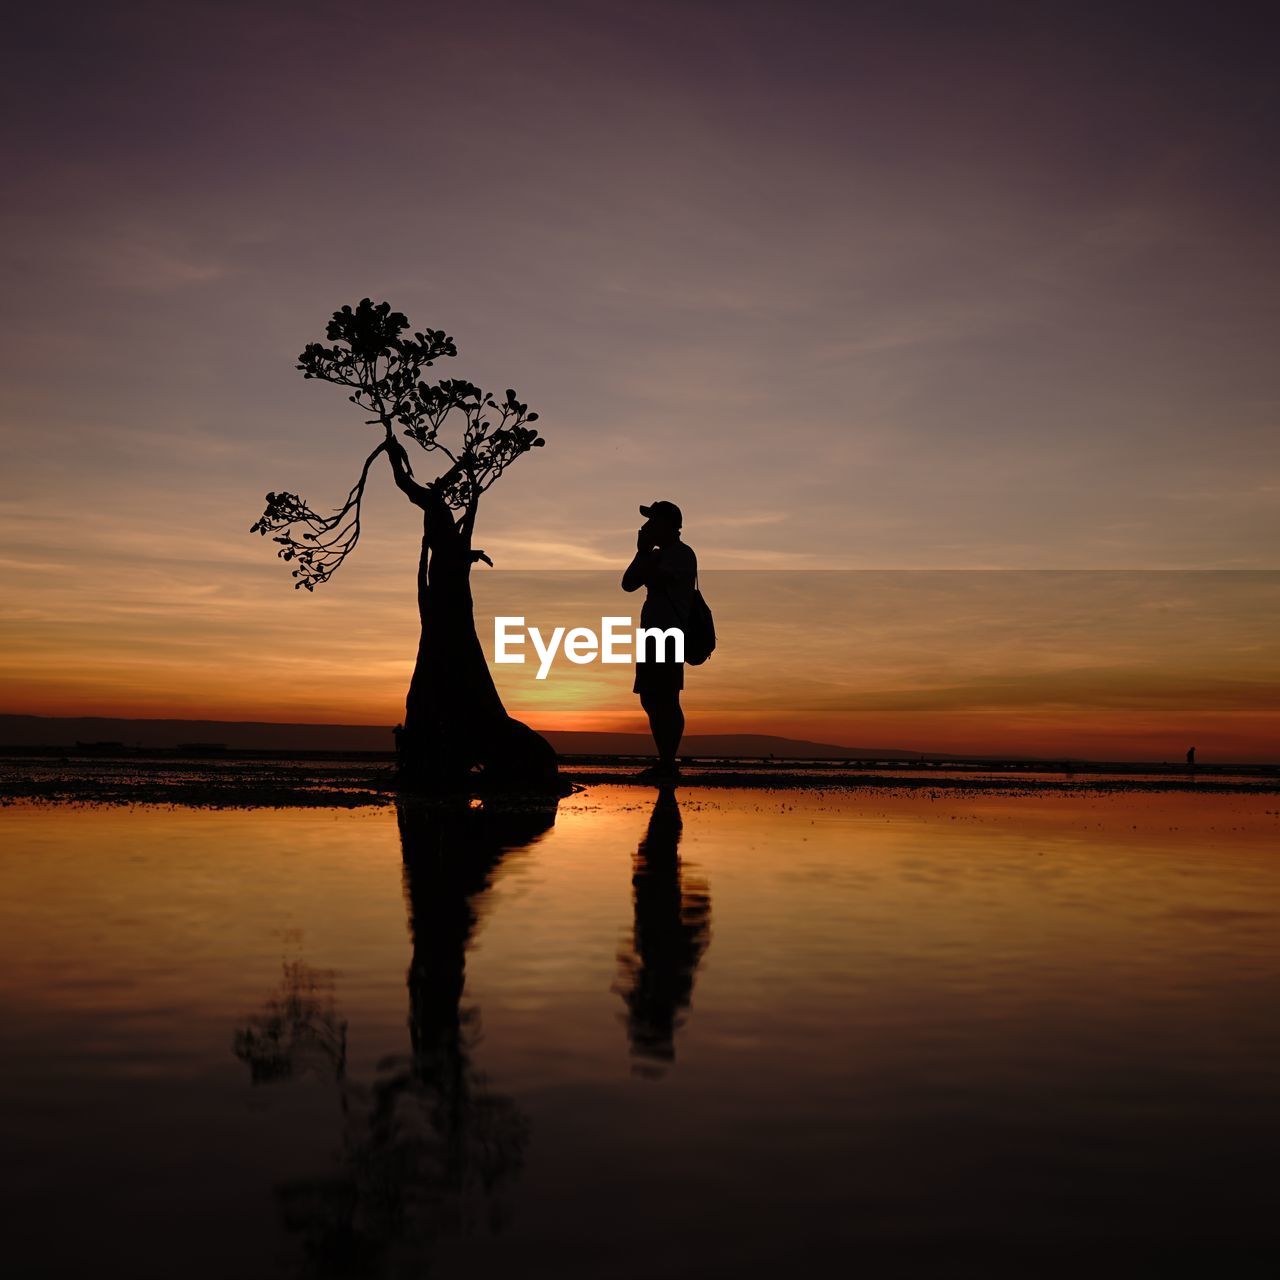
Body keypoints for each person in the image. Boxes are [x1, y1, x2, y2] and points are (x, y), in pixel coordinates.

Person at [622, 500, 697, 780]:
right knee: (650, 697)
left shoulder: (682, 554)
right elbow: (628, 583)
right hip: (651, 634)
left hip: (669, 633)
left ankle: (668, 762)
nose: (647, 526)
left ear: (667, 525)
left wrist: (645, 553)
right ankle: (665, 760)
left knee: (666, 697)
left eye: (652, 521)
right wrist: (642, 553)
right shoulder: (653, 554)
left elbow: (656, 578)